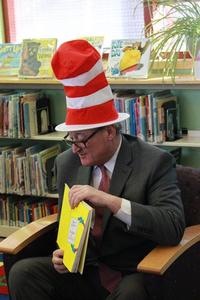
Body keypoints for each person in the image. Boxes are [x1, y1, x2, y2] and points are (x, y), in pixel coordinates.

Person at [8, 40, 185, 300]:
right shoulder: (67, 162)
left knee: (132, 293)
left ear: (110, 132)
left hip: (132, 271)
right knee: (24, 273)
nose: (76, 148)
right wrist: (63, 253)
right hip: (85, 270)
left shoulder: (154, 162)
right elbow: (68, 225)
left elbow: (172, 226)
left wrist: (111, 202)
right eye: (72, 139)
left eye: (82, 140)